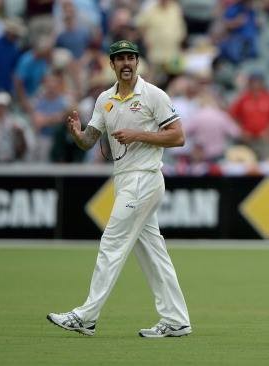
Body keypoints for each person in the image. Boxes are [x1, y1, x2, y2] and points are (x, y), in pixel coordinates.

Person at [47, 40, 191, 338]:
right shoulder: (104, 99)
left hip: (144, 178)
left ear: (137, 62)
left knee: (111, 243)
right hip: (125, 179)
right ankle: (176, 319)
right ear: (111, 64)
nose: (126, 63)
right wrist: (76, 134)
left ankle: (86, 316)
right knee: (154, 254)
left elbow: (178, 137)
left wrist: (138, 134)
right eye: (120, 59)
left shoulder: (153, 95)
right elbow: (90, 140)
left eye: (130, 58)